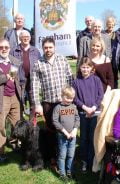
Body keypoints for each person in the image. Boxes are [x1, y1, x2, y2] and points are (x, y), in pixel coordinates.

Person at [31, 37, 73, 166]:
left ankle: (65, 155)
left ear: (54, 47)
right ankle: (52, 157)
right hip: (48, 103)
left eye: (50, 47)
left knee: (65, 129)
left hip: (63, 102)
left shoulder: (62, 59)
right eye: (45, 48)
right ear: (42, 48)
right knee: (50, 130)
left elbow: (70, 78)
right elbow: (34, 85)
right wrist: (37, 104)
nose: (48, 50)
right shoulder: (38, 63)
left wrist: (71, 98)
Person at [72, 57, 104, 172]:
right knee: (84, 138)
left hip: (95, 113)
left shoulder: (96, 80)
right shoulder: (76, 82)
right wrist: (85, 108)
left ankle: (93, 161)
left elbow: (100, 95)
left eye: (87, 67)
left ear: (91, 68)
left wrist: (94, 107)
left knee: (93, 138)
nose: (85, 69)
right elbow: (75, 98)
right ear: (80, 68)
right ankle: (84, 161)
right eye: (83, 67)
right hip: (83, 113)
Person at [10, 30, 41, 119]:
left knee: (33, 103)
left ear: (30, 38)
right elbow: (11, 66)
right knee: (19, 102)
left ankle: (32, 126)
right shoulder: (14, 51)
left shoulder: (35, 51)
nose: (26, 38)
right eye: (23, 37)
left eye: (27, 37)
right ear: (20, 38)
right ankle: (20, 125)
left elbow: (40, 65)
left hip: (33, 81)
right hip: (19, 81)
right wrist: (12, 79)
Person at [0, 39, 22, 161]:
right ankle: (1, 151)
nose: (3, 49)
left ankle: (14, 143)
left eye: (6, 47)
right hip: (2, 98)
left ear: (9, 48)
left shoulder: (15, 61)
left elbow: (21, 78)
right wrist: (5, 77)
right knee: (1, 126)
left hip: (15, 97)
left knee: (16, 124)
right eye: (1, 47)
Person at [52, 86, 80, 181]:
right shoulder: (58, 108)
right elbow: (55, 121)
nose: (69, 100)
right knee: (62, 155)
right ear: (62, 96)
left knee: (71, 155)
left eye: (71, 98)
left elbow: (77, 118)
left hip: (72, 136)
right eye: (67, 98)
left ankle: (69, 172)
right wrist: (64, 132)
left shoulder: (73, 107)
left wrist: (75, 129)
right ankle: (62, 174)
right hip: (62, 136)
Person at [103, 17, 118, 88]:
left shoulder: (117, 34)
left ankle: (114, 89)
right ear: (106, 25)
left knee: (114, 76)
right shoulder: (103, 34)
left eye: (112, 24)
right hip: (105, 57)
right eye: (109, 24)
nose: (110, 26)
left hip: (114, 59)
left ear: (114, 25)